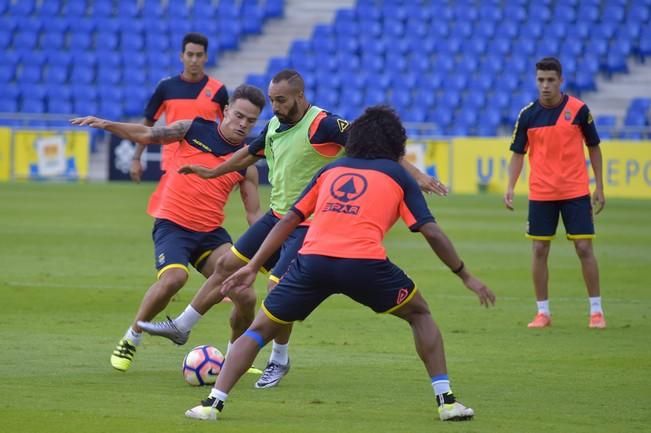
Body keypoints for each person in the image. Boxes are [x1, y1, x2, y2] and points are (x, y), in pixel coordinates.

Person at [138, 69, 449, 388]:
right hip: (278, 217)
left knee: (277, 289)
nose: (275, 106)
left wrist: (418, 176)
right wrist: (211, 171)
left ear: (300, 96)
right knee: (227, 266)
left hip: (310, 223)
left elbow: (378, 144)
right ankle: (183, 326)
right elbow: (246, 154)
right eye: (272, 99)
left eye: (281, 100)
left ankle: (279, 359)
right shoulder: (274, 125)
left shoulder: (324, 123)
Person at [183, 105, 495, 423]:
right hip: (365, 266)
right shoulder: (398, 174)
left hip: (312, 263)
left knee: (260, 329)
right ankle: (446, 401)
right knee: (419, 313)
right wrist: (464, 275)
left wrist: (253, 266)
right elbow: (430, 230)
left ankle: (212, 404)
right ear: (395, 142)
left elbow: (289, 219)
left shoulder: (330, 171)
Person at [70, 84, 267, 371]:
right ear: (225, 111)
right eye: (239, 116)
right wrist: (107, 124)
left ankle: (236, 357)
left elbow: (254, 214)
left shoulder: (247, 161)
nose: (243, 124)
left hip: (210, 234)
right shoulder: (192, 129)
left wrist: (271, 249)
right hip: (173, 225)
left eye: (250, 121)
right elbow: (149, 135)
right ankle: (132, 337)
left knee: (245, 295)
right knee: (174, 278)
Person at [504, 57, 606, 329]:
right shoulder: (527, 115)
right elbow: (517, 154)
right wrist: (510, 187)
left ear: (561, 80)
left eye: (550, 80)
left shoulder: (579, 110)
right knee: (539, 249)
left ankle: (596, 311)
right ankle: (543, 313)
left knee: (584, 247)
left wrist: (600, 185)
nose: (545, 85)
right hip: (541, 193)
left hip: (575, 190)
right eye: (540, 80)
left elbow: (594, 147)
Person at [130, 32, 228, 182]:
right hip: (172, 163)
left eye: (199, 55)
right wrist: (136, 157)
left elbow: (228, 128)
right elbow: (148, 123)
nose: (194, 60)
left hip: (205, 165)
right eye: (190, 54)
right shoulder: (166, 87)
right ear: (181, 56)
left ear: (206, 57)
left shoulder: (218, 90)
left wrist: (232, 165)